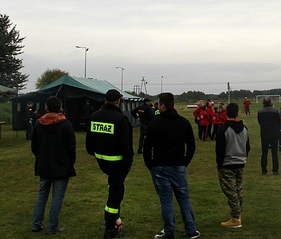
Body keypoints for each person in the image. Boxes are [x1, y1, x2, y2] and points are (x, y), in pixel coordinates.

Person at [143, 92, 200, 239]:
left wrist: (150, 165)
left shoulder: (154, 123)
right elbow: (191, 146)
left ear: (162, 105)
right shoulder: (183, 122)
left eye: (158, 103)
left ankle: (169, 231)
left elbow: (147, 148)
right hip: (178, 166)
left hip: (160, 166)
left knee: (166, 201)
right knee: (183, 198)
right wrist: (184, 162)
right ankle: (191, 230)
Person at [86, 89, 133, 238]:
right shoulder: (121, 119)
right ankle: (110, 226)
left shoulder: (94, 116)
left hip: (101, 161)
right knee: (115, 194)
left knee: (114, 189)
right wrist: (127, 165)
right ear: (118, 101)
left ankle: (113, 220)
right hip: (118, 164)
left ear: (105, 100)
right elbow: (127, 147)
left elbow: (89, 146)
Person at [31, 96, 77, 235]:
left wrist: (40, 157)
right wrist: (70, 162)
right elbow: (71, 146)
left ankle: (36, 224)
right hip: (61, 165)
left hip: (44, 164)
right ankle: (52, 227)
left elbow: (34, 146)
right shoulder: (65, 124)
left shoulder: (39, 124)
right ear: (60, 108)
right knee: (57, 197)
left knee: (42, 195)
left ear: (46, 107)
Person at [215, 102, 249, 229]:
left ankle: (236, 218)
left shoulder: (223, 129)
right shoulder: (245, 128)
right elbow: (247, 147)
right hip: (240, 162)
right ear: (237, 113)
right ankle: (238, 213)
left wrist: (219, 165)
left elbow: (220, 150)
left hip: (227, 164)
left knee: (231, 192)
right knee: (238, 189)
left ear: (226, 113)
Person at [257, 97, 280, 176]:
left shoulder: (260, 112)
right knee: (274, 153)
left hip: (264, 134)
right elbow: (278, 121)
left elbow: (260, 122)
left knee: (264, 153)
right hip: (274, 134)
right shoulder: (275, 111)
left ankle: (264, 170)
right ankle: (275, 170)